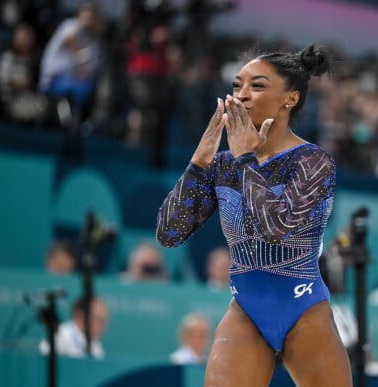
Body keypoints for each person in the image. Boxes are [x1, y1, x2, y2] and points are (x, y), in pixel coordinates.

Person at [156, 44, 352, 386]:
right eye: (237, 85)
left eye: (257, 86)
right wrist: (198, 163)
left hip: (303, 307)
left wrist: (246, 158)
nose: (242, 95)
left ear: (289, 98)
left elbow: (275, 227)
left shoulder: (313, 162)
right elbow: (169, 233)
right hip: (246, 308)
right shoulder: (224, 165)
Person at [38, 1, 103, 126]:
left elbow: (91, 69)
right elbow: (70, 39)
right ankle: (69, 122)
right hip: (54, 78)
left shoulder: (94, 41)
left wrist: (85, 70)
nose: (88, 20)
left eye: (91, 17)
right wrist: (82, 62)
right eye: (85, 16)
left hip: (77, 81)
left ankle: (83, 123)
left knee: (93, 87)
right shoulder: (70, 25)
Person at [0, 23, 47, 123]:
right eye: (23, 37)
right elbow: (4, 80)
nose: (26, 41)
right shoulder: (9, 57)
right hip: (12, 101)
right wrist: (21, 83)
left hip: (33, 97)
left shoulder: (34, 59)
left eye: (29, 37)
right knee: (42, 108)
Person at [39, 296, 108, 359]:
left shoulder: (95, 344)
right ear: (80, 314)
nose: (103, 328)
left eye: (104, 322)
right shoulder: (60, 335)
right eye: (99, 320)